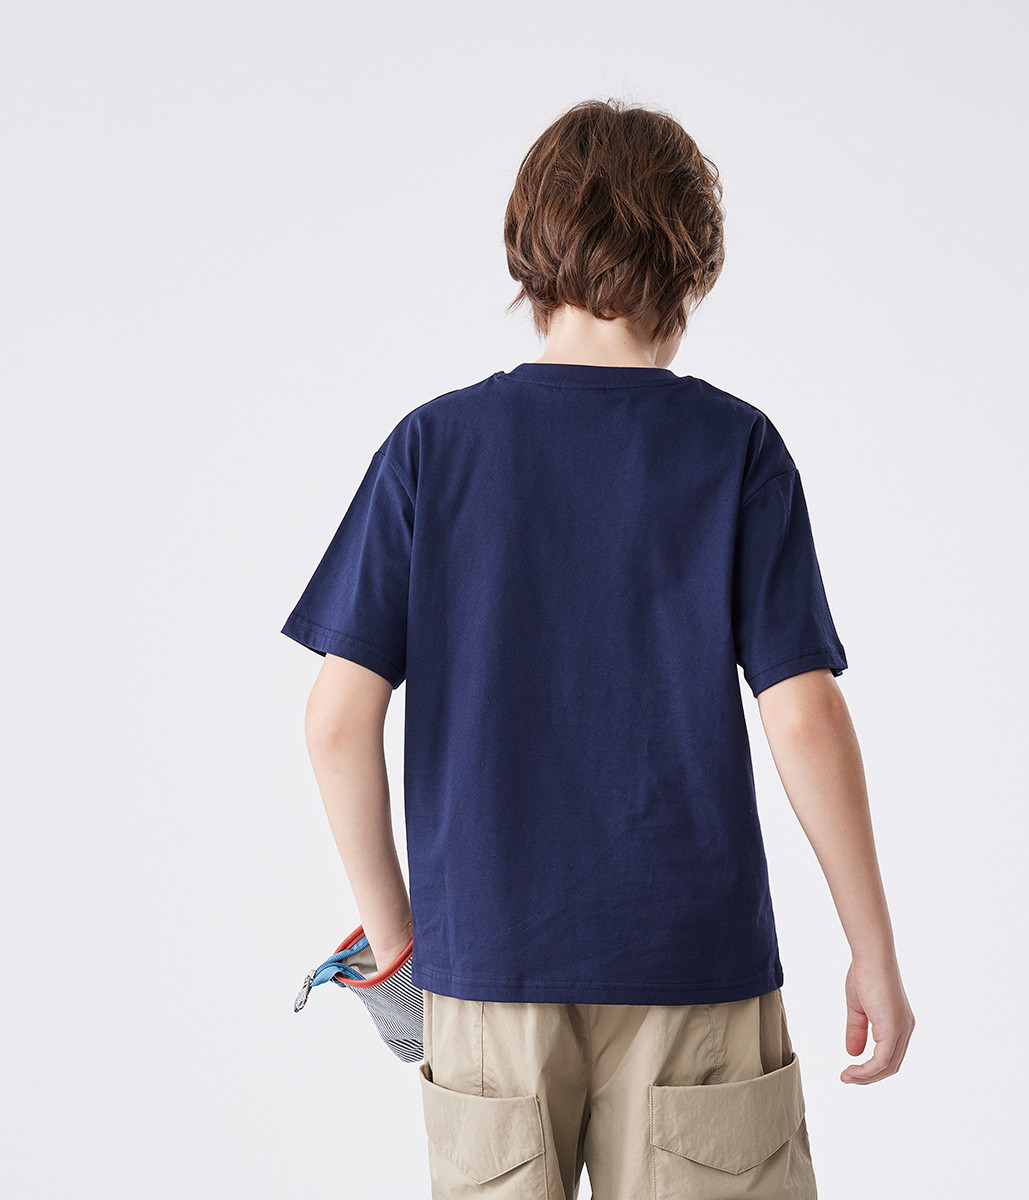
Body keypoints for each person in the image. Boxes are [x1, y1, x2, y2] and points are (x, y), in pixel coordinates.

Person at [282, 97, 915, 1200]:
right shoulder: (736, 447)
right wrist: (873, 949)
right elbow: (804, 715)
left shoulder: (433, 449)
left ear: (529, 253)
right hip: (694, 966)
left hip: (489, 969)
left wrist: (400, 948)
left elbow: (336, 719)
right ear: (692, 263)